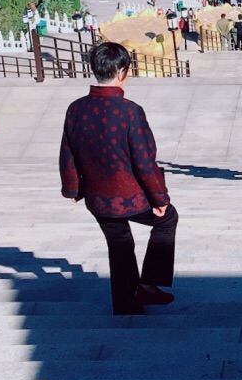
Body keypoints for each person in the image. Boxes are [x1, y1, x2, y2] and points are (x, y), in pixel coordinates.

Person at [60, 41, 177, 316]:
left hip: (97, 196)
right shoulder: (129, 111)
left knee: (119, 243)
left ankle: (125, 303)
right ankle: (147, 285)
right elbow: (144, 161)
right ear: (123, 71)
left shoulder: (75, 108)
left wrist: (73, 188)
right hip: (130, 195)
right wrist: (159, 198)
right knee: (167, 218)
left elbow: (68, 151)